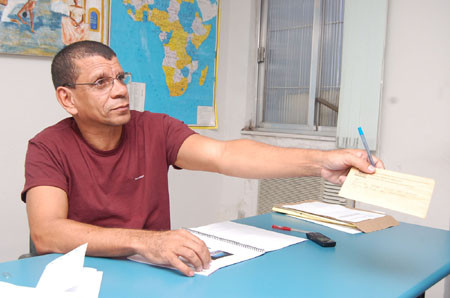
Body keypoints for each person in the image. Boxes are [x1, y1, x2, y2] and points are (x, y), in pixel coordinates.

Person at [22, 40, 384, 277]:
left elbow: (226, 154)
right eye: (101, 82)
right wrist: (146, 241)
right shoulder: (47, 147)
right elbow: (47, 231)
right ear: (67, 99)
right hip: (84, 278)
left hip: (154, 270)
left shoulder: (155, 128)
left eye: (120, 77)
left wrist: (321, 162)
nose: (119, 90)